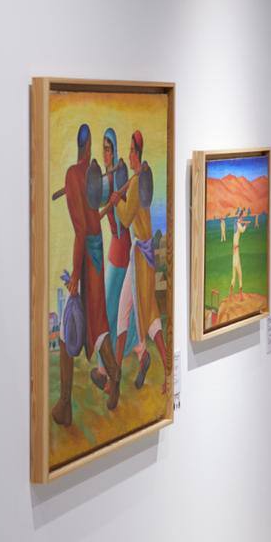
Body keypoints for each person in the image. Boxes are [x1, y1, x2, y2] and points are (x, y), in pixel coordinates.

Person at [53, 123, 121, 426]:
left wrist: (75, 278)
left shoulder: (74, 175)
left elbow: (81, 230)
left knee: (89, 324)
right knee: (87, 323)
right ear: (89, 145)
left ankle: (109, 377)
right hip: (93, 251)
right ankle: (66, 403)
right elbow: (93, 219)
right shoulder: (88, 174)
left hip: (87, 256)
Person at [105, 130, 169, 403]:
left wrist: (115, 202)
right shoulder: (139, 177)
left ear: (137, 153)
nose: (129, 155)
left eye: (131, 151)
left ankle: (115, 380)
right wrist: (120, 197)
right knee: (144, 314)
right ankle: (120, 376)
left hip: (140, 258)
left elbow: (126, 218)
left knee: (136, 313)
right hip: (143, 256)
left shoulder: (135, 183)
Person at [99, 127, 137, 360]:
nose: (105, 154)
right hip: (116, 246)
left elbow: (123, 216)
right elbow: (95, 195)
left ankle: (106, 365)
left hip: (121, 246)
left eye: (108, 149)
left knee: (111, 307)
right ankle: (127, 352)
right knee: (115, 306)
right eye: (103, 149)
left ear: (114, 151)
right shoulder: (109, 176)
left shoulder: (118, 176)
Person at [230, 214, 249, 297]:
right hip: (236, 253)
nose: (242, 219)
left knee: (233, 277)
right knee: (240, 275)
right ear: (239, 218)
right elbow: (242, 230)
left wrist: (242, 222)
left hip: (234, 254)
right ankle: (241, 295)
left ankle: (230, 294)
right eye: (241, 218)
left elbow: (239, 226)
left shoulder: (236, 224)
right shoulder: (238, 224)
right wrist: (245, 225)